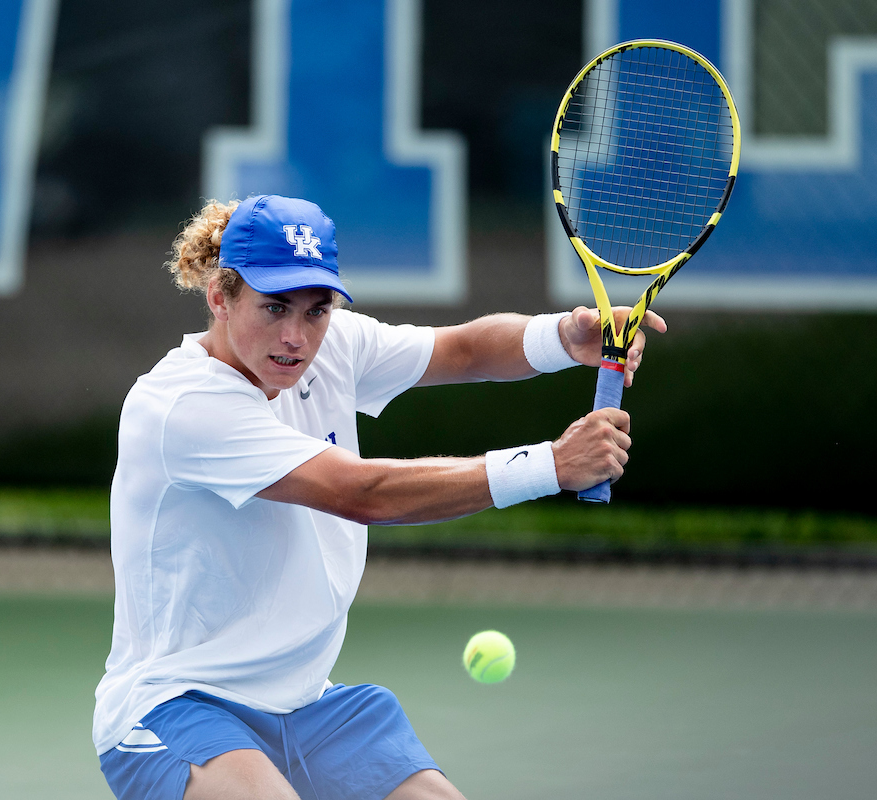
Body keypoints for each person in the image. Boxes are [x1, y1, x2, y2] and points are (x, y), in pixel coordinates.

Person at [94, 195, 665, 800]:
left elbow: (463, 349)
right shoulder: (183, 405)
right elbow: (362, 492)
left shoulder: (330, 345)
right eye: (273, 307)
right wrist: (550, 465)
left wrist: (563, 336)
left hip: (308, 704)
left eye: (315, 311)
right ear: (219, 296)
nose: (294, 336)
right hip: (175, 705)